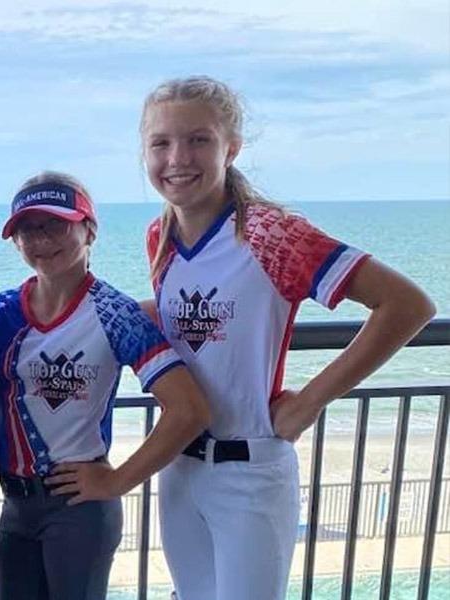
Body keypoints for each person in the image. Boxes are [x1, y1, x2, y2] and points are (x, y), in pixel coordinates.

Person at [140, 76, 436, 600]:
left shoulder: (269, 233)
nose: (177, 157)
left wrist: (311, 402)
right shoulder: (160, 238)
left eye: (199, 140)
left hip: (250, 472)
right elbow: (198, 326)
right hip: (180, 469)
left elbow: (407, 306)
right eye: (161, 142)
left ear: (231, 148)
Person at [0, 171, 211, 600]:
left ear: (90, 230)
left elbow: (189, 410)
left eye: (56, 224)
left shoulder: (116, 314)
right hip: (14, 505)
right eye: (28, 229)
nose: (41, 238)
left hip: (80, 509)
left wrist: (118, 481)